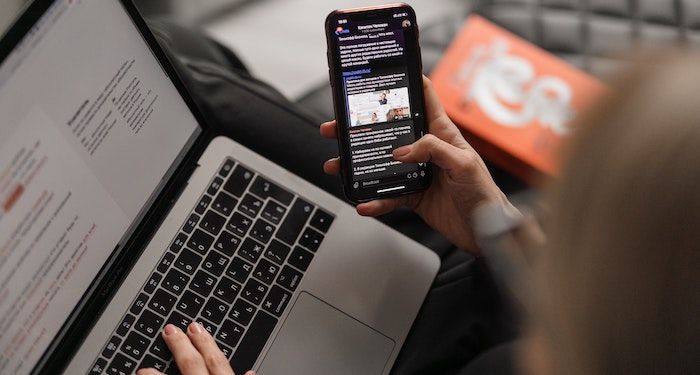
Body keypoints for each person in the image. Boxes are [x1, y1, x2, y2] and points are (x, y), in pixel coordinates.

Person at [140, 21, 699, 375]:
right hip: (468, 281)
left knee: (176, 54)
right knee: (183, 52)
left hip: (432, 323)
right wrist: (505, 233)